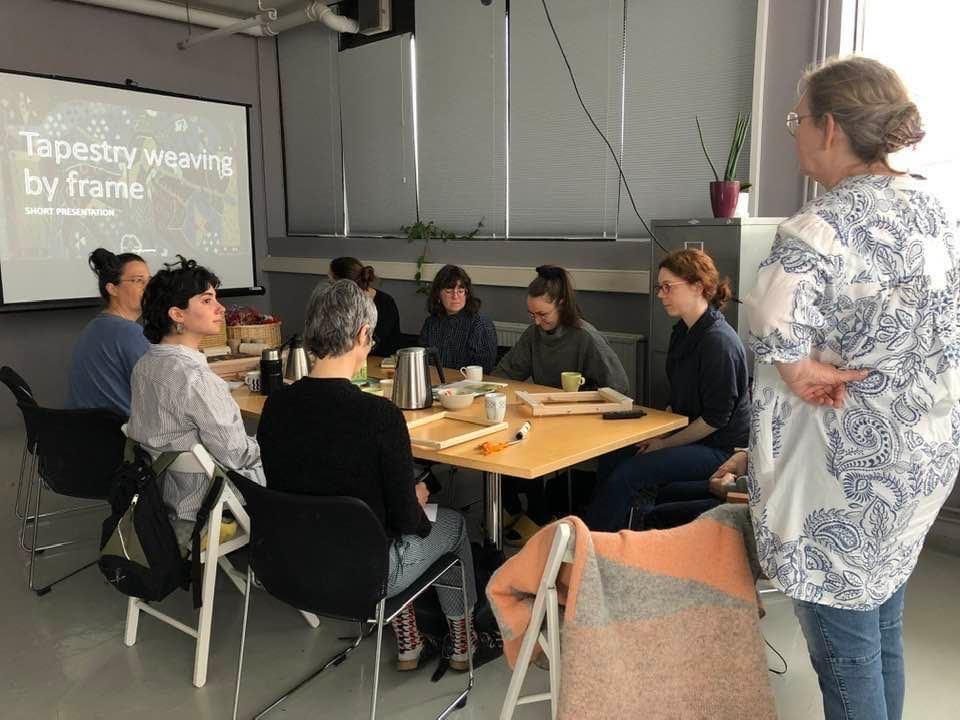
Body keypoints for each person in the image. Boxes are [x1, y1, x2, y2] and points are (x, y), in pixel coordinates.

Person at [745, 57, 958, 720]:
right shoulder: (933, 210)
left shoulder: (817, 229)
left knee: (847, 655)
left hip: (839, 484)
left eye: (797, 120)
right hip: (921, 461)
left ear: (829, 127)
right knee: (882, 626)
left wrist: (793, 368)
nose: (794, 132)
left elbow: (767, 323)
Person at [257, 279, 488, 671]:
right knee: (453, 525)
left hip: (289, 565)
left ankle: (409, 643)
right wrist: (414, 496)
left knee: (378, 524)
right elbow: (407, 523)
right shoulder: (379, 416)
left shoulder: (276, 404)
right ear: (364, 334)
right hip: (368, 575)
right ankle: (464, 644)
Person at [584, 249, 750, 532]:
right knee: (615, 453)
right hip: (693, 434)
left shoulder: (718, 343)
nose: (661, 294)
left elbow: (715, 419)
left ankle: (593, 549)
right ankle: (611, 534)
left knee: (631, 472)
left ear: (698, 287)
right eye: (659, 287)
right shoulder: (682, 332)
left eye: (667, 287)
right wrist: (657, 433)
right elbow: (680, 399)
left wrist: (663, 444)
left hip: (720, 447)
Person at [127, 256, 265, 545]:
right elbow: (237, 455)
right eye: (206, 300)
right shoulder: (196, 379)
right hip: (203, 505)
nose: (220, 308)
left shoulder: (145, 365)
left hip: (159, 499)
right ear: (177, 314)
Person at [493, 265, 629, 544]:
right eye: (531, 315)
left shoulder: (585, 336)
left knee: (531, 443)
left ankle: (541, 514)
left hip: (580, 418)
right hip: (546, 413)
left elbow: (619, 387)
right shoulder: (533, 335)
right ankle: (511, 505)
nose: (536, 321)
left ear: (562, 305)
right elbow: (506, 373)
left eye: (543, 314)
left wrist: (578, 396)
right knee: (505, 434)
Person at [66, 248, 151, 417]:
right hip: (120, 436)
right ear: (112, 289)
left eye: (149, 280)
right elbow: (161, 392)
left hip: (86, 433)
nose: (148, 287)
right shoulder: (129, 332)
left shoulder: (96, 326)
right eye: (138, 280)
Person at [418, 264, 498, 373]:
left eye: (460, 291)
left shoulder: (480, 324)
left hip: (468, 387)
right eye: (449, 291)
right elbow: (423, 362)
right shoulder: (431, 323)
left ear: (467, 294)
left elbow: (483, 371)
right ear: (438, 295)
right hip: (435, 383)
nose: (455, 297)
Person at [329, 257, 403, 357]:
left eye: (331, 281)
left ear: (343, 284)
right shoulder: (337, 303)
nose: (329, 287)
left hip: (381, 364)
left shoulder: (385, 303)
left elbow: (375, 343)